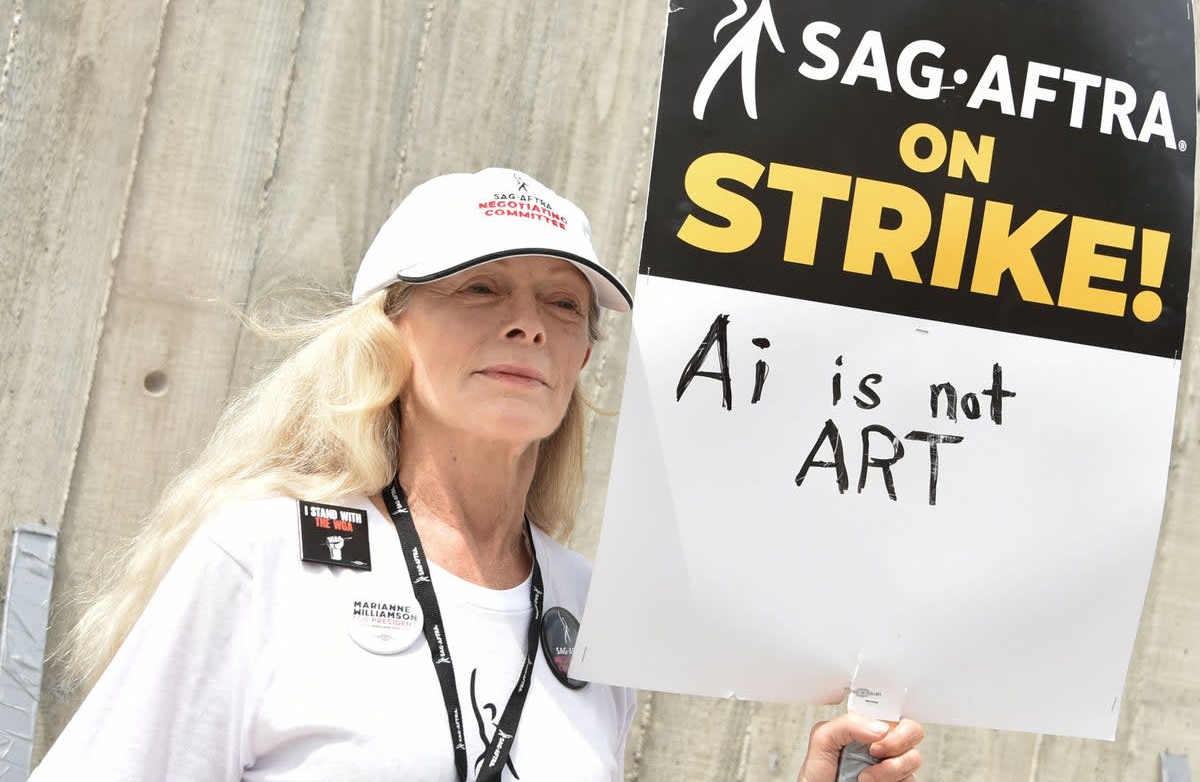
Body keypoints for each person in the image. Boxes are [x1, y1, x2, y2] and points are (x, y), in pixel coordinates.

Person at [33, 168, 924, 781]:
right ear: (391, 326)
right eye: (481, 289)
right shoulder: (265, 552)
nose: (528, 325)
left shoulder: (591, 608)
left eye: (562, 303)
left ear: (582, 355)